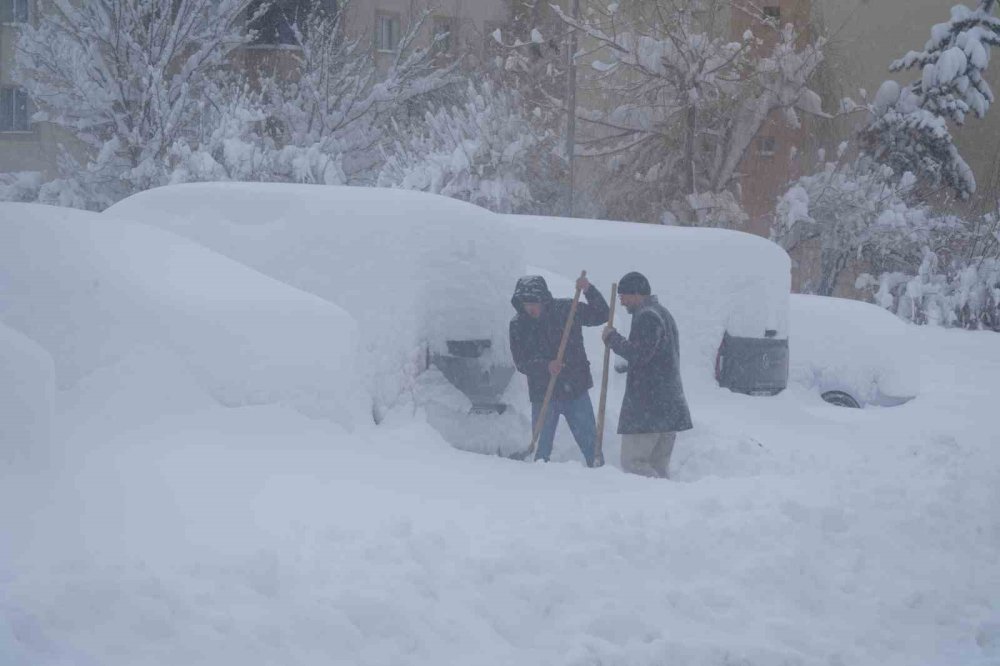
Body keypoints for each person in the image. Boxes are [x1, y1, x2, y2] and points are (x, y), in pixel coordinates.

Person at [510, 273, 609, 466]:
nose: (531, 308)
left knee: (591, 445)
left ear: (544, 299)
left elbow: (601, 314)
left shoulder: (567, 310)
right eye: (526, 303)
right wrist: (546, 366)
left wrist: (588, 290)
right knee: (541, 450)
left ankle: (599, 474)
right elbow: (521, 362)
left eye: (535, 302)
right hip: (543, 394)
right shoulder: (518, 325)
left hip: (575, 389)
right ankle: (540, 480)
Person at [602, 271, 692, 478]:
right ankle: (665, 497)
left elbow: (639, 354)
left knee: (634, 464)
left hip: (648, 408)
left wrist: (612, 338)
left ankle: (654, 497)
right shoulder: (662, 313)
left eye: (623, 296)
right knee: (658, 467)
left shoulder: (647, 316)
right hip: (666, 406)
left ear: (636, 294)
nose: (621, 302)